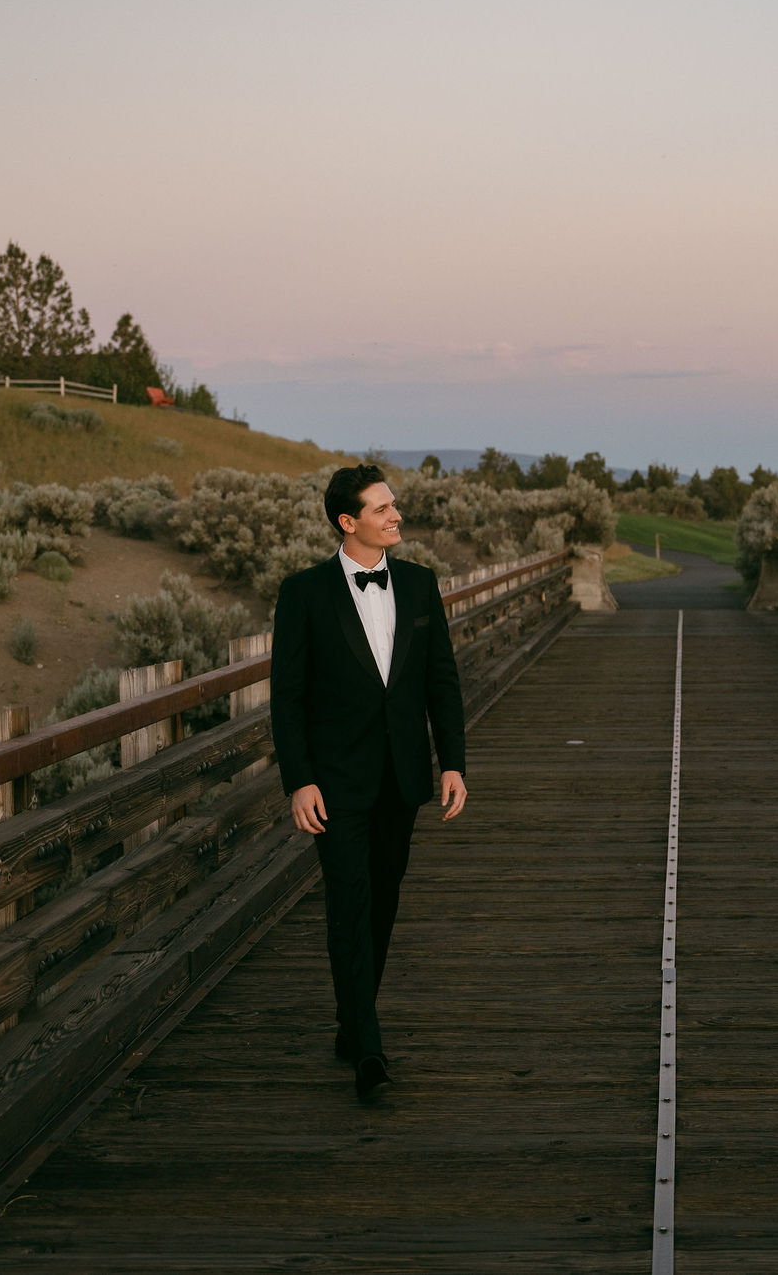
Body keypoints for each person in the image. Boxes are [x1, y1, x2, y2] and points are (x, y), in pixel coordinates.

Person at [269, 464, 468, 1099]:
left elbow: (441, 681)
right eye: (383, 510)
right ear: (347, 522)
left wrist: (453, 764)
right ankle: (370, 1055)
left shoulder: (418, 583)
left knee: (382, 903)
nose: (397, 516)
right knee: (348, 907)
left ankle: (351, 1021)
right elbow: (287, 698)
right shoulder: (303, 594)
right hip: (335, 784)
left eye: (394, 506)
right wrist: (299, 781)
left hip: (402, 779)